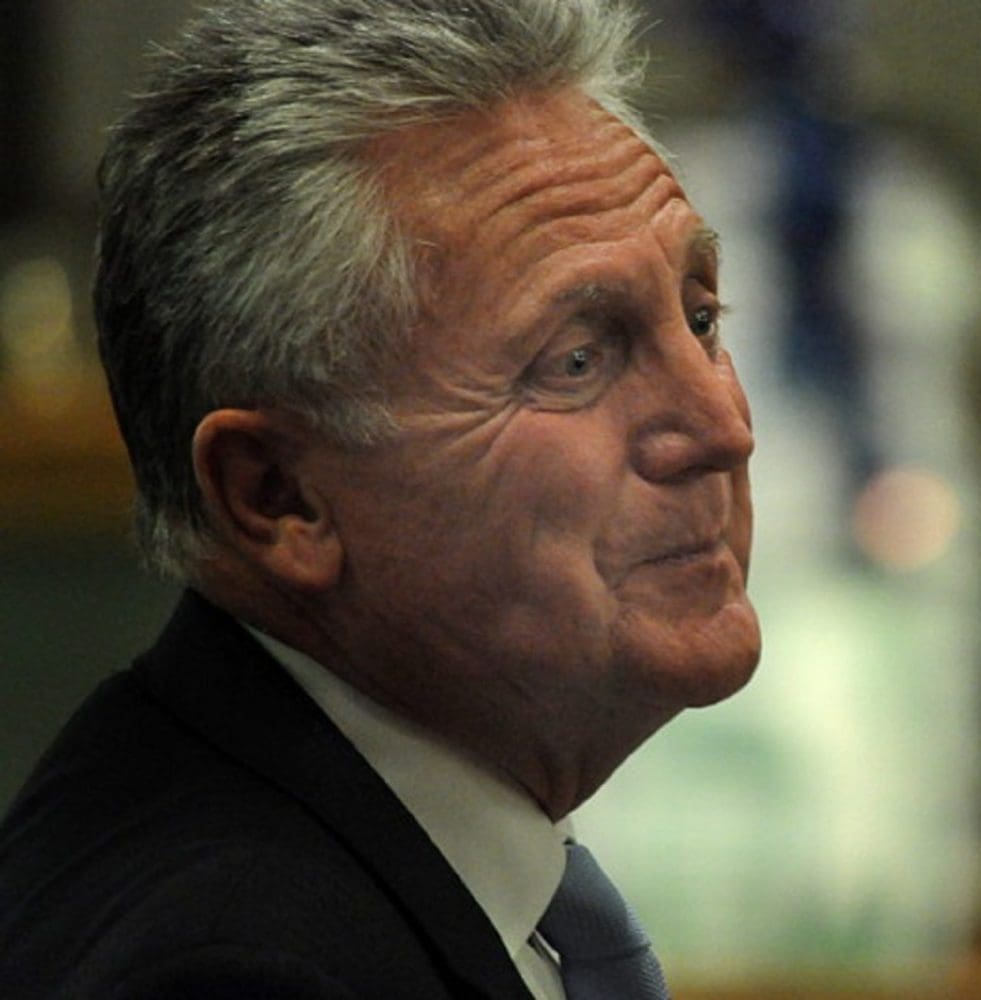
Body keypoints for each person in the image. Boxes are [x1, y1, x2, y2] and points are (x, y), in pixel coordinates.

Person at [0, 0, 760, 996]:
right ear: (279, 496)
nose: (721, 427)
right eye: (577, 359)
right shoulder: (232, 968)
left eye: (700, 320)